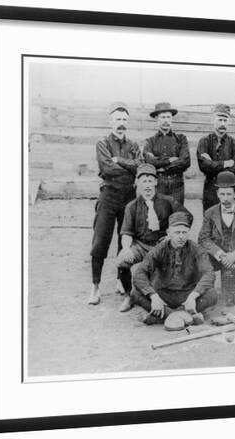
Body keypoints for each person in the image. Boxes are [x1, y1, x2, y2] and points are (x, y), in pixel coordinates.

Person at [88, 102, 143, 305]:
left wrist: (119, 160)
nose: (121, 124)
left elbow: (140, 166)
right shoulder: (102, 143)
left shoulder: (133, 146)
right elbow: (107, 169)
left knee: (125, 241)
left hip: (129, 197)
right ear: (110, 122)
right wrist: (127, 168)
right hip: (109, 195)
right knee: (101, 240)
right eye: (117, 120)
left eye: (123, 120)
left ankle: (121, 280)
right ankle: (95, 286)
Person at [117, 163, 189, 312]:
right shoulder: (132, 206)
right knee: (122, 260)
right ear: (137, 183)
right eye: (144, 181)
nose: (147, 185)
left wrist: (172, 235)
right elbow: (126, 232)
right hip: (141, 245)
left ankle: (168, 298)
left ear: (156, 182)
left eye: (150, 181)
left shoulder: (167, 201)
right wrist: (125, 249)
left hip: (163, 245)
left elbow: (187, 217)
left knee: (164, 275)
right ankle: (128, 296)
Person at [131, 211, 218, 326]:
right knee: (135, 293)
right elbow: (140, 273)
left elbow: (209, 273)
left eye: (184, 232)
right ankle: (182, 316)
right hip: (163, 294)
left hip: (187, 295)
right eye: (177, 232)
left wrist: (193, 296)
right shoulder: (159, 249)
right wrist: (154, 296)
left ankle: (163, 316)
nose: (181, 236)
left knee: (212, 294)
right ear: (169, 233)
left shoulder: (196, 249)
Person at [198, 171, 235, 305]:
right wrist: (220, 254)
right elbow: (203, 239)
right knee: (200, 257)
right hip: (218, 257)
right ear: (217, 194)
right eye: (222, 194)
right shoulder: (210, 213)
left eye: (229, 194)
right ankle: (204, 295)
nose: (225, 198)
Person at [197, 104, 235, 212]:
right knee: (211, 222)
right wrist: (225, 164)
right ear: (213, 120)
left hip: (230, 191)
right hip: (211, 190)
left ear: (229, 122)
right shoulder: (204, 142)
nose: (222, 123)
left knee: (231, 223)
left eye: (225, 120)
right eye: (219, 120)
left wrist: (213, 164)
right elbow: (204, 166)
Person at [143, 102, 191, 205]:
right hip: (159, 186)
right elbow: (149, 161)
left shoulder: (181, 139)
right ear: (156, 119)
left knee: (177, 217)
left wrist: (162, 167)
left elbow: (185, 161)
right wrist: (170, 160)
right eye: (163, 117)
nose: (166, 121)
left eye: (168, 117)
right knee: (162, 218)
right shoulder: (150, 141)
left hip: (177, 186)